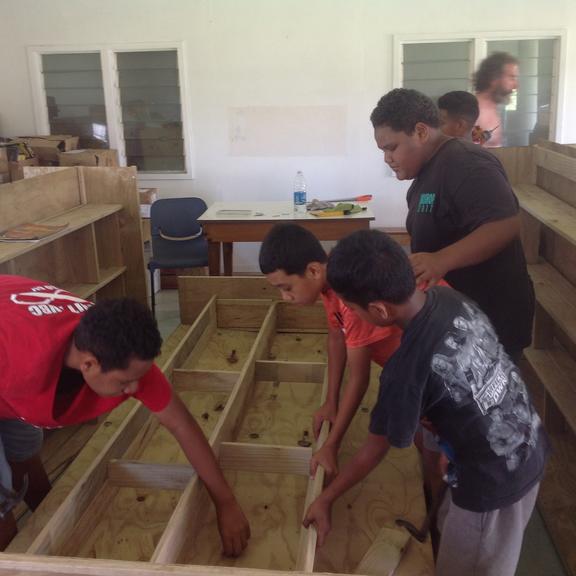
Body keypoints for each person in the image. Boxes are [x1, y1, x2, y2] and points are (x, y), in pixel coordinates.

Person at [303, 229, 549, 576]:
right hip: (528, 438)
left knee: (468, 566)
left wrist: (326, 498)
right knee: (453, 529)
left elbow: (374, 451)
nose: (352, 318)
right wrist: (456, 443)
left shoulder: (404, 370)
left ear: (378, 310)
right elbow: (481, 376)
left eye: (353, 310)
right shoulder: (451, 299)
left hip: (495, 481)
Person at [0, 275, 250, 554]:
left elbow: (181, 424)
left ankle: (44, 524)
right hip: (10, 359)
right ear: (89, 364)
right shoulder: (18, 368)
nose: (135, 389)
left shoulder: (122, 354)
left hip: (12, 315)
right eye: (124, 383)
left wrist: (225, 502)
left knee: (22, 450)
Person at [370, 88, 534, 362]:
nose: (387, 158)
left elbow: (504, 224)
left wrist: (441, 260)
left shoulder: (467, 162)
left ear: (421, 132)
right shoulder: (425, 176)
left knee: (490, 401)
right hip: (458, 318)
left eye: (391, 147)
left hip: (491, 318)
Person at [258, 224, 402, 479]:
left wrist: (331, 445)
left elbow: (359, 378)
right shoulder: (329, 285)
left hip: (418, 372)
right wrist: (330, 401)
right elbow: (336, 337)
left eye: (287, 287)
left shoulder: (349, 296)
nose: (284, 297)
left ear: (313, 270)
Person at [474, 52, 519, 147]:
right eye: (511, 78)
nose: (516, 85)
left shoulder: (494, 108)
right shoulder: (474, 111)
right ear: (493, 78)